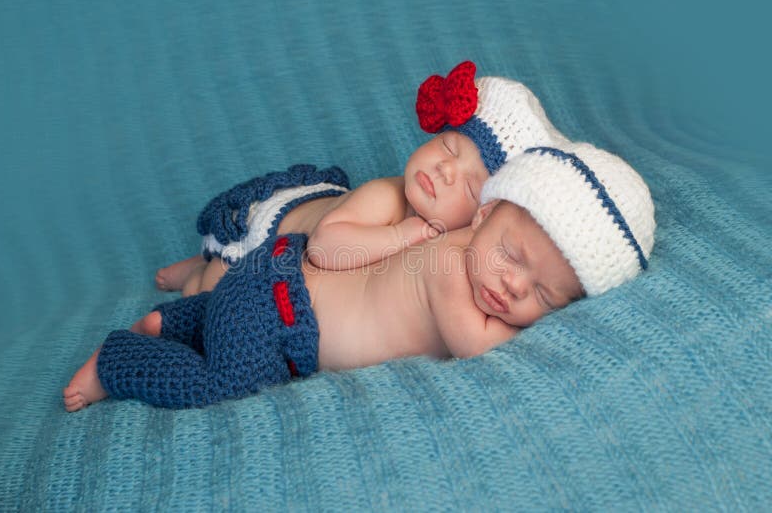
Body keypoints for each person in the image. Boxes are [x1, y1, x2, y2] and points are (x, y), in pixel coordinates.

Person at [63, 139, 655, 411]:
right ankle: (120, 361)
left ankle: (170, 322)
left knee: (225, 319)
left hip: (274, 290)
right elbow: (478, 349)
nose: (513, 287)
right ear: (485, 214)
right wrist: (546, 324)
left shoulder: (467, 253)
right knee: (217, 383)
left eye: (545, 295)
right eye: (512, 255)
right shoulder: (450, 264)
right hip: (280, 316)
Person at [155, 60, 569, 296]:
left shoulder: (455, 246)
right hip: (273, 230)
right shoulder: (385, 198)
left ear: (485, 215)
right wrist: (401, 236)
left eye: (468, 185)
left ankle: (197, 264)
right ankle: (193, 272)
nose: (445, 170)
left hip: (308, 252)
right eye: (448, 147)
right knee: (213, 287)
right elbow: (323, 248)